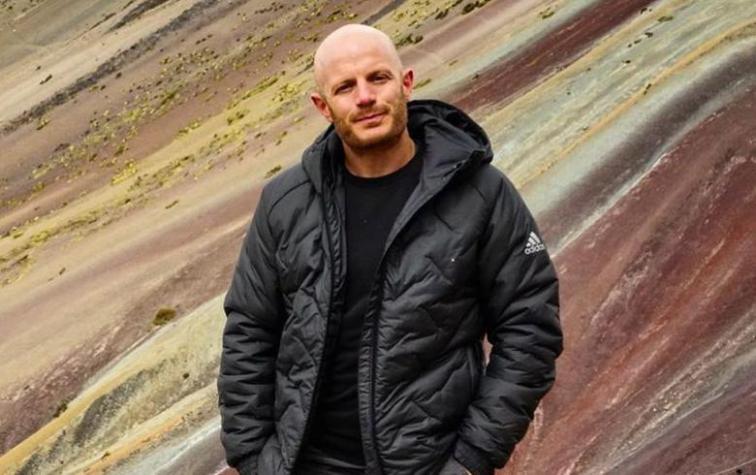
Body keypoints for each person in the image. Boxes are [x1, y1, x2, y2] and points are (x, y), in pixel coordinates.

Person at [218, 24, 563, 475]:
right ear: (323, 106)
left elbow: (529, 329)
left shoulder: (480, 193)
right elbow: (249, 329)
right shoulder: (286, 202)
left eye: (378, 78)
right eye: (345, 87)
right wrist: (252, 456)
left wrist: (470, 460)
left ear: (406, 83)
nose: (365, 97)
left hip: (425, 464)